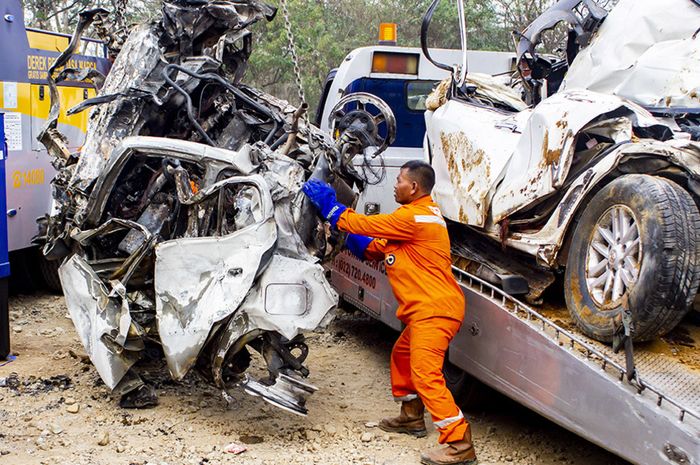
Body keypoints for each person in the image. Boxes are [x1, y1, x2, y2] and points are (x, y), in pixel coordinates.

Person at [302, 161, 477, 465]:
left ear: (414, 188)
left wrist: (332, 206)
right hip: (429, 309)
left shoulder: (414, 217)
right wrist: (343, 232)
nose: (394, 185)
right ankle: (411, 416)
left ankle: (459, 443)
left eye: (398, 181)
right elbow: (373, 247)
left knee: (425, 374)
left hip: (434, 310)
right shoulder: (415, 219)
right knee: (403, 356)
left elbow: (364, 225)